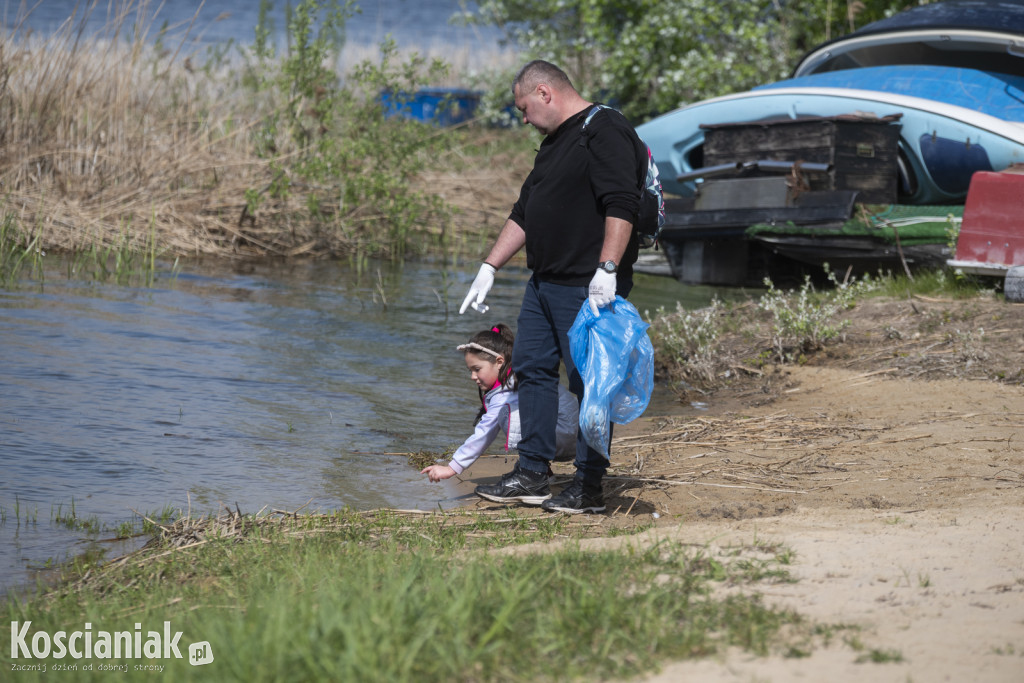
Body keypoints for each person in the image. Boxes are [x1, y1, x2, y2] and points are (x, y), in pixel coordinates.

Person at [459, 60, 644, 514]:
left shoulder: (604, 130)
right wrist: (490, 266)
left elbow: (623, 202)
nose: (522, 119)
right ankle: (533, 471)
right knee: (531, 370)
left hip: (587, 286)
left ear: (545, 93)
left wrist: (608, 268)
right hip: (543, 283)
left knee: (591, 384)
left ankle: (588, 487)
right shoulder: (552, 144)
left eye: (524, 108)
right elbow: (524, 212)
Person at [421, 324, 578, 484]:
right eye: (470, 371)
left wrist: (451, 468)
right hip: (571, 434)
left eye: (477, 369)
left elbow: (484, 432)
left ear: (499, 362)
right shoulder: (518, 374)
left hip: (566, 436)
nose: (473, 376)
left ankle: (536, 471)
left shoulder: (507, 391)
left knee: (506, 414)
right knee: (515, 414)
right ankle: (539, 469)